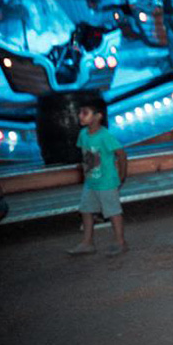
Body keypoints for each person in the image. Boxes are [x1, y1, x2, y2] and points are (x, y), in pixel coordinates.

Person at [67, 98, 129, 257]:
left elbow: (121, 154)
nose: (80, 116)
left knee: (113, 212)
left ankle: (120, 242)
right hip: (91, 182)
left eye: (85, 113)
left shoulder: (105, 136)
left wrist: (121, 176)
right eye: (80, 112)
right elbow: (86, 155)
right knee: (86, 210)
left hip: (106, 182)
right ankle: (87, 242)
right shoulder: (83, 134)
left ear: (98, 116)